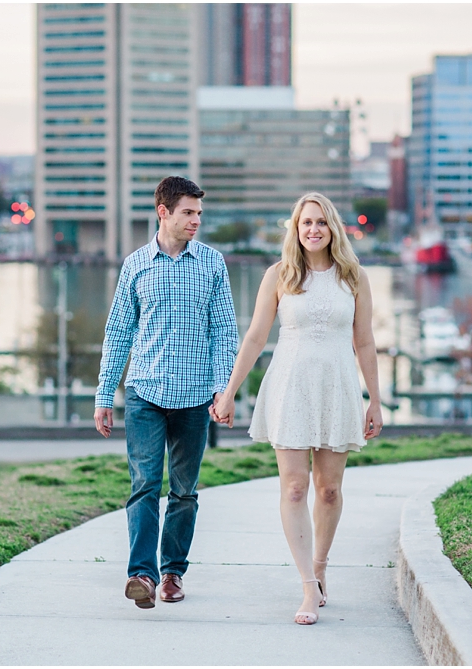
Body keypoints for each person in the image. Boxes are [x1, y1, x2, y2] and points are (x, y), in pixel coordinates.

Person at [211, 192, 383, 625]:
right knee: (293, 488)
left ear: (333, 228)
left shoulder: (354, 276)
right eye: (306, 222)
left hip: (338, 387)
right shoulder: (279, 275)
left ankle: (320, 566)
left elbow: (364, 341)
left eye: (321, 222)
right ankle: (307, 587)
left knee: (328, 490)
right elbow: (253, 338)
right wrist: (230, 391)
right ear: (296, 227)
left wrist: (374, 400)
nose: (313, 230)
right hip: (290, 386)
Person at [94, 176, 239, 609]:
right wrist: (105, 396)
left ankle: (173, 571)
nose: (196, 220)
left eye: (198, 213)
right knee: (143, 485)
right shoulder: (136, 265)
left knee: (184, 491)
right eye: (188, 213)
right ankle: (141, 574)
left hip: (195, 399)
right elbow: (118, 332)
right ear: (164, 212)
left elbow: (224, 333)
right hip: (144, 393)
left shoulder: (212, 264)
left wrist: (223, 390)